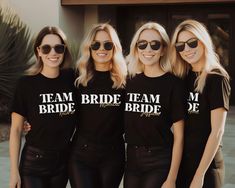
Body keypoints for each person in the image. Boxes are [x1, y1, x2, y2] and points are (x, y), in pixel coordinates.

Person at [9, 26, 78, 188]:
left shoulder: (72, 79)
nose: (52, 53)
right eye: (46, 48)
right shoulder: (25, 84)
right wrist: (14, 171)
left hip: (62, 163)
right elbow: (17, 130)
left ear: (64, 51)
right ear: (38, 51)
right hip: (34, 163)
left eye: (58, 48)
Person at [170, 19, 231, 188]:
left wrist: (200, 175)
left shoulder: (216, 78)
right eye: (180, 45)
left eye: (192, 43)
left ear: (203, 41)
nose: (186, 49)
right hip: (183, 163)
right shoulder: (182, 77)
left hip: (207, 167)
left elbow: (217, 132)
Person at [124, 22, 185, 188]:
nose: (148, 49)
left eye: (155, 44)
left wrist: (172, 179)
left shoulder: (174, 85)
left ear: (163, 49)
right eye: (142, 44)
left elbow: (179, 137)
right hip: (131, 160)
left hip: (159, 160)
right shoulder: (128, 81)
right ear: (136, 49)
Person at [68, 23, 127, 188]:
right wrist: (31, 123)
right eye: (96, 44)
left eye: (108, 44)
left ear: (114, 48)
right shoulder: (77, 77)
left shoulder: (125, 80)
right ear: (89, 47)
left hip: (113, 155)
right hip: (81, 154)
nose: (102, 49)